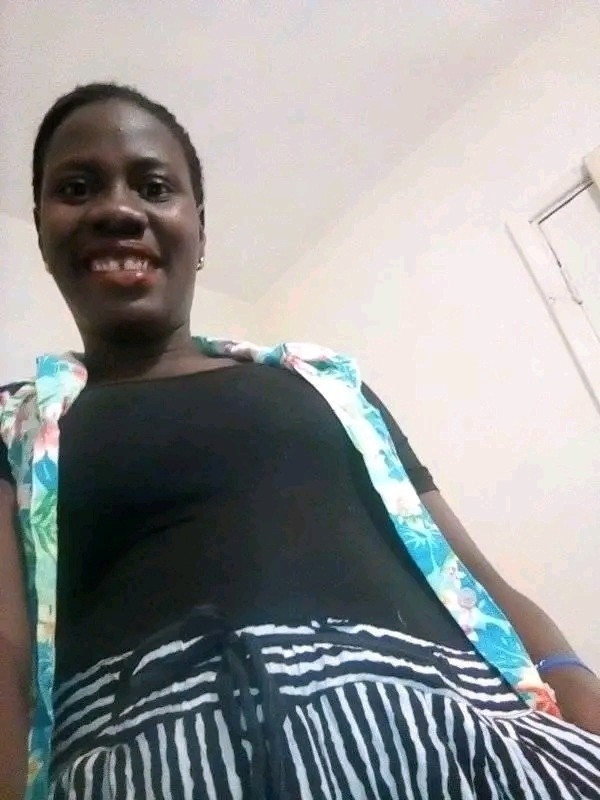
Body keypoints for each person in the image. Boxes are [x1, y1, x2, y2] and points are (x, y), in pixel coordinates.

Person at [0, 83, 599, 800]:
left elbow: (474, 574)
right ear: (43, 232)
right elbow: (6, 652)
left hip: (466, 746)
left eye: (154, 187)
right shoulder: (14, 426)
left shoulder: (328, 388)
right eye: (77, 188)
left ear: (200, 233)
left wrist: (573, 683)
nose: (118, 210)